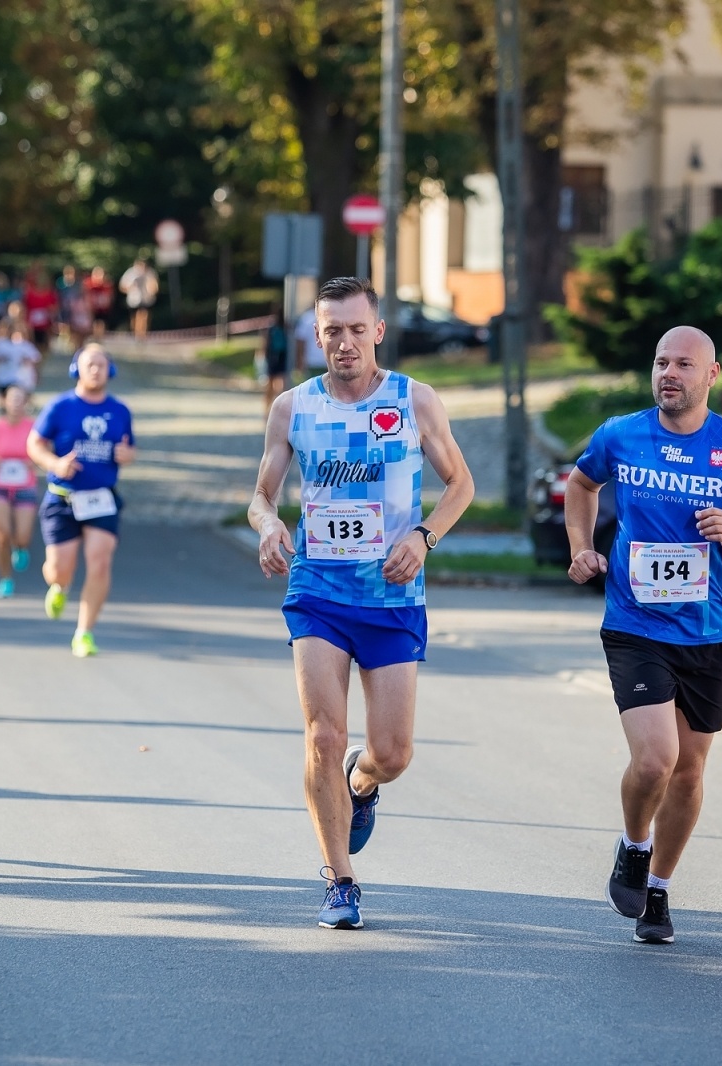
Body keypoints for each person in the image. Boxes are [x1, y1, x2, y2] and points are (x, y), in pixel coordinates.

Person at [247, 276, 475, 930]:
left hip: (393, 594)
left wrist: (425, 536)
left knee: (393, 751)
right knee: (323, 733)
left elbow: (461, 484)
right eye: (331, 332)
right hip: (318, 589)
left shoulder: (414, 401)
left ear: (377, 331)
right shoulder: (292, 408)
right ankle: (339, 879)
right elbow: (261, 494)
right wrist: (269, 527)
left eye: (355, 329)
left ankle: (363, 781)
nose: (343, 343)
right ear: (315, 337)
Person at [563, 325, 722, 945]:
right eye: (662, 362)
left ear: (711, 375)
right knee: (656, 757)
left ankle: (657, 888)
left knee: (688, 771)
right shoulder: (621, 434)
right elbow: (581, 485)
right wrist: (582, 547)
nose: (669, 373)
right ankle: (634, 844)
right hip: (635, 623)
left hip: (707, 630)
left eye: (684, 364)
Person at [27, 344, 135, 656]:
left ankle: (84, 633)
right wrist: (54, 464)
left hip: (102, 499)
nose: (96, 370)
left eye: (102, 364)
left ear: (110, 371)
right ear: (77, 368)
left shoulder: (120, 410)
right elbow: (34, 444)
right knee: (60, 568)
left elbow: (130, 449)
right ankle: (59, 587)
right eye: (90, 364)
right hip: (63, 499)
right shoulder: (60, 407)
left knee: (100, 561)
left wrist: (127, 456)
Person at [0, 385, 38, 597]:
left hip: (25, 486)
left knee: (22, 535)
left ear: (26, 403)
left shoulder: (34, 427)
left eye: (20, 399)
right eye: (12, 399)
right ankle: (5, 579)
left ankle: (21, 547)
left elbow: (44, 451)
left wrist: (35, 462)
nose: (15, 403)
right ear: (4, 401)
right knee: (2, 535)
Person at [0, 315, 41, 407]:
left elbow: (35, 357)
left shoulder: (22, 344)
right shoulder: (0, 343)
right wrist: (0, 358)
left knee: (15, 401)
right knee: (4, 403)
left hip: (17, 378)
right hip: (2, 377)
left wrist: (27, 361)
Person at [257, 305, 291, 418]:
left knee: (270, 385)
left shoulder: (272, 327)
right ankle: (276, 407)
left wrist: (263, 355)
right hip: (283, 356)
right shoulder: (286, 327)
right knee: (280, 383)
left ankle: (267, 409)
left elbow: (266, 343)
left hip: (273, 356)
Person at [118, 257, 159, 340]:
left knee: (143, 315)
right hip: (133, 299)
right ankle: (136, 333)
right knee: (134, 317)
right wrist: (130, 288)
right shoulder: (130, 273)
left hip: (146, 299)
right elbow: (122, 286)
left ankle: (142, 334)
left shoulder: (150, 273)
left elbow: (155, 285)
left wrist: (152, 290)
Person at [57, 265, 92, 352]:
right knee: (67, 325)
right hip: (64, 307)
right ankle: (71, 341)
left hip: (76, 308)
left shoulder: (77, 284)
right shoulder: (61, 284)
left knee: (77, 327)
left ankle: (78, 344)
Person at [23, 266, 58, 350]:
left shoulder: (50, 293)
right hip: (32, 322)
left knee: (45, 342)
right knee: (33, 341)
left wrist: (51, 312)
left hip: (45, 322)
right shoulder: (30, 293)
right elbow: (26, 306)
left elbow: (54, 307)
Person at [293, 303, 324, 381]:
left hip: (312, 360)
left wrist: (299, 360)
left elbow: (300, 341)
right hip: (326, 360)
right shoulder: (328, 316)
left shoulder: (306, 318)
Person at [84, 267, 115, 340]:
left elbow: (110, 297)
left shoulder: (107, 285)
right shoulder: (89, 285)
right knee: (92, 324)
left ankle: (99, 338)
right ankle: (93, 338)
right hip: (91, 308)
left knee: (102, 323)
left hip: (102, 308)